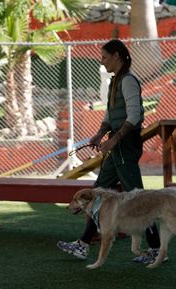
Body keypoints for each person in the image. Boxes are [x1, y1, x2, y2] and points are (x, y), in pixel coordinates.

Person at [57, 39, 164, 264]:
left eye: (105, 57)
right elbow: (109, 114)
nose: (102, 61)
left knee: (139, 199)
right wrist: (99, 134)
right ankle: (83, 244)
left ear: (117, 56)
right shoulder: (115, 81)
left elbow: (135, 116)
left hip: (125, 146)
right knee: (95, 194)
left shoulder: (129, 81)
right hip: (117, 148)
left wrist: (114, 139)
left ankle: (157, 251)